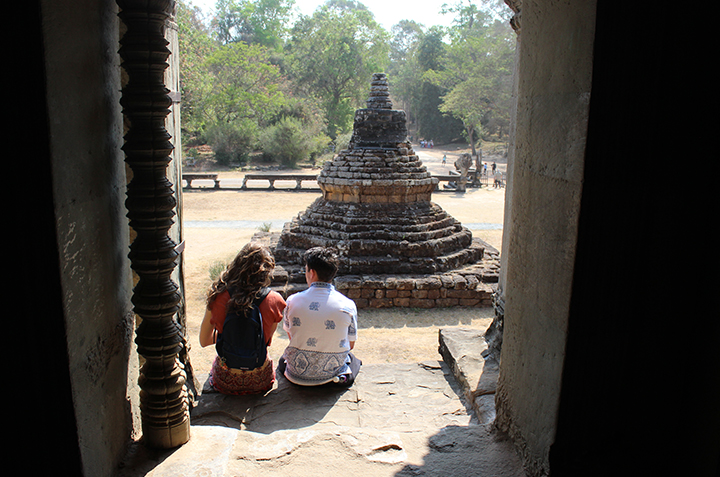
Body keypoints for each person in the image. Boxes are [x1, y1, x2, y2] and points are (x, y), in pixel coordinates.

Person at [199, 243, 286, 395]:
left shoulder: (218, 296)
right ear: (267, 271)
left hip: (226, 380)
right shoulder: (275, 300)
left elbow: (204, 340)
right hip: (259, 381)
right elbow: (264, 341)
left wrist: (227, 336)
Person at [278, 247, 361, 387]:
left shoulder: (292, 301)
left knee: (282, 361)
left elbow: (293, 337)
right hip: (331, 375)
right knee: (354, 361)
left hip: (297, 375)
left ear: (312, 272)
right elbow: (350, 345)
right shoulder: (347, 304)